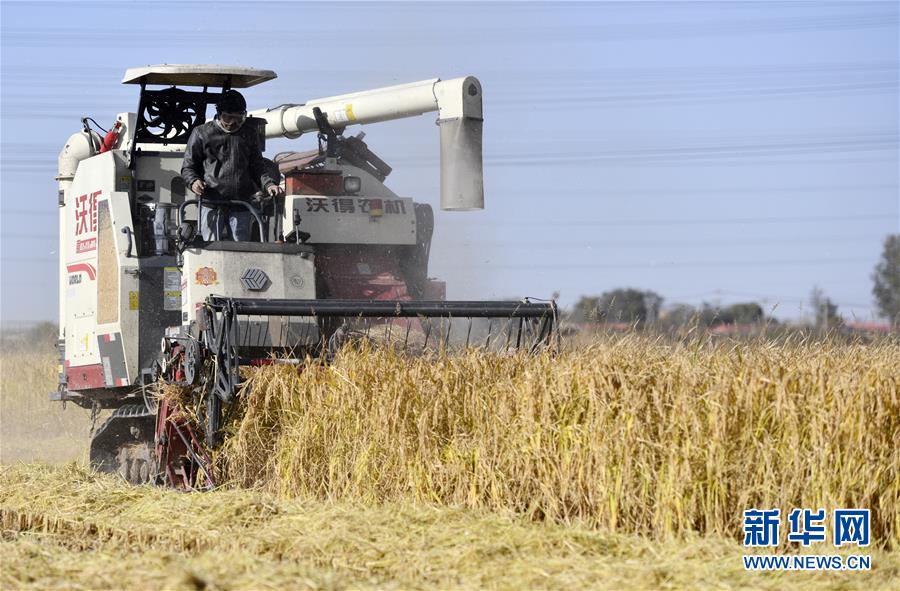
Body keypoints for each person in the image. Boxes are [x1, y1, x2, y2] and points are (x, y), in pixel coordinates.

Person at [181, 89, 284, 241]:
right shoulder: (202, 133)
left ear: (244, 116)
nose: (232, 123)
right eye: (228, 117)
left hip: (241, 204)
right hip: (211, 202)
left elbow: (258, 166)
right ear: (219, 114)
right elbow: (188, 167)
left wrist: (269, 185)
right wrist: (194, 181)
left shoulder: (249, 134)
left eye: (238, 118)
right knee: (209, 249)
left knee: (241, 250)